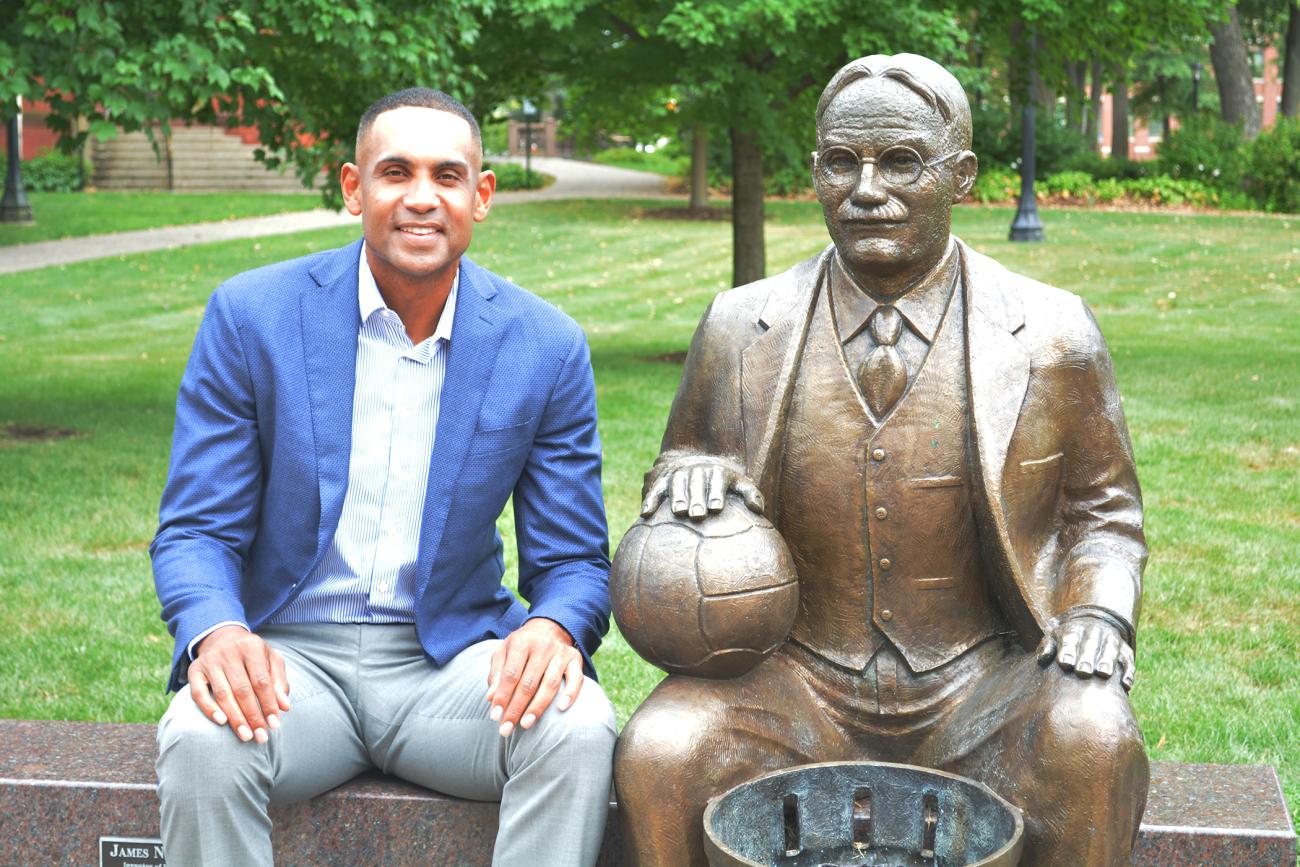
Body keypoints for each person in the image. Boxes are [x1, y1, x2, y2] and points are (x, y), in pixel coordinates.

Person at [615, 54, 1149, 866]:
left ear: (961, 175)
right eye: (841, 162)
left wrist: (1099, 614)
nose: (867, 189)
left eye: (901, 161)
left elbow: (1105, 516)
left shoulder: (1052, 335)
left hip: (984, 682)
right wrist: (689, 482)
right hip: (795, 682)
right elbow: (682, 466)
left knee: (1093, 734)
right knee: (661, 748)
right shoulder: (739, 325)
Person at [151, 88, 616, 867]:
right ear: (353, 187)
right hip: (289, 661)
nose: (421, 198)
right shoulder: (251, 317)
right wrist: (219, 631)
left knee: (575, 723)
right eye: (395, 172)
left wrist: (552, 626)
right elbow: (198, 529)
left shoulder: (546, 346)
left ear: (483, 193)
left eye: (447, 174)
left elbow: (573, 561)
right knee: (200, 737)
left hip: (450, 666)